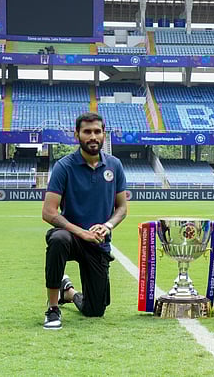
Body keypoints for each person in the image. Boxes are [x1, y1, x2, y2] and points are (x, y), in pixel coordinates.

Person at [41, 112, 128, 330]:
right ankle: (52, 309)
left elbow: (122, 208)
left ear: (103, 135)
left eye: (97, 132)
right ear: (77, 134)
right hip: (71, 237)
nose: (92, 136)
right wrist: (81, 232)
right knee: (58, 239)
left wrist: (107, 226)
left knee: (95, 311)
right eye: (87, 131)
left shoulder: (115, 165)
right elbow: (49, 212)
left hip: (98, 242)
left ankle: (68, 292)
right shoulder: (64, 166)